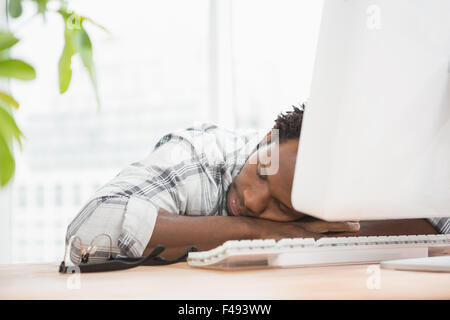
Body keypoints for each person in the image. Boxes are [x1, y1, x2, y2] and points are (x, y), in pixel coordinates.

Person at [66, 105, 447, 262]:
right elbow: (88, 229)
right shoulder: (199, 156)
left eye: (281, 207)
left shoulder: (337, 194)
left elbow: (441, 231)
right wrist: (267, 231)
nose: (250, 197)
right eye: (262, 171)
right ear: (268, 140)